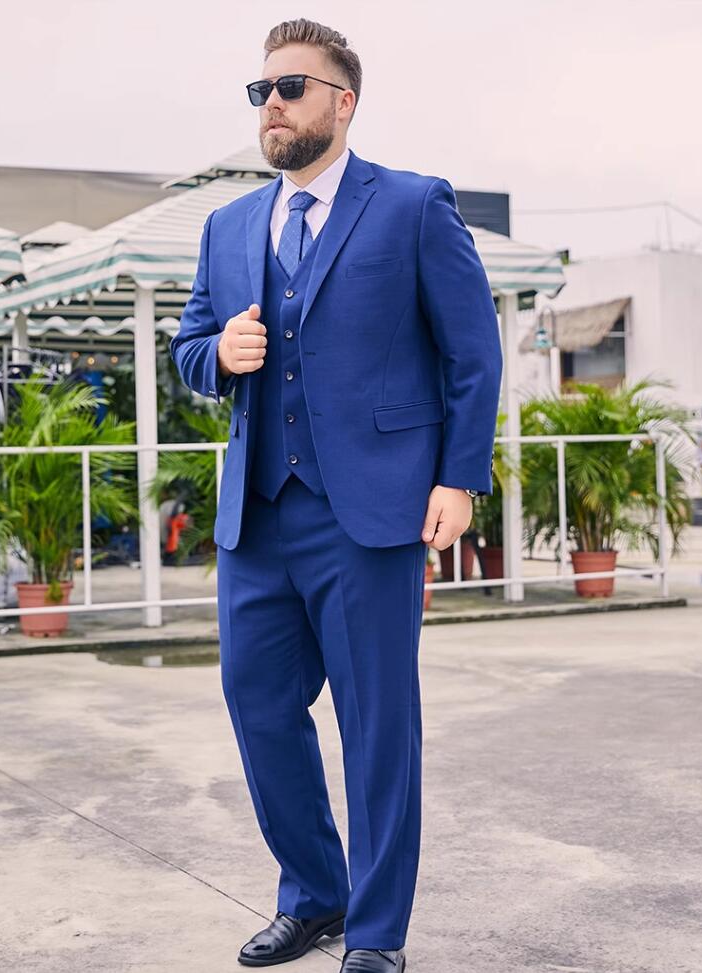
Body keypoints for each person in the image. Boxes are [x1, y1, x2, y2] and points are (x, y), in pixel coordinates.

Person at [169, 18, 502, 973]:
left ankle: (378, 930)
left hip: (371, 514)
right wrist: (219, 353)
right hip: (258, 515)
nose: (271, 105)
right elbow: (189, 349)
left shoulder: (413, 205)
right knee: (259, 707)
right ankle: (315, 893)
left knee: (377, 725)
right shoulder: (228, 226)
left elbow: (472, 354)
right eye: (261, 91)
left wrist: (459, 477)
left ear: (342, 102)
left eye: (291, 88)